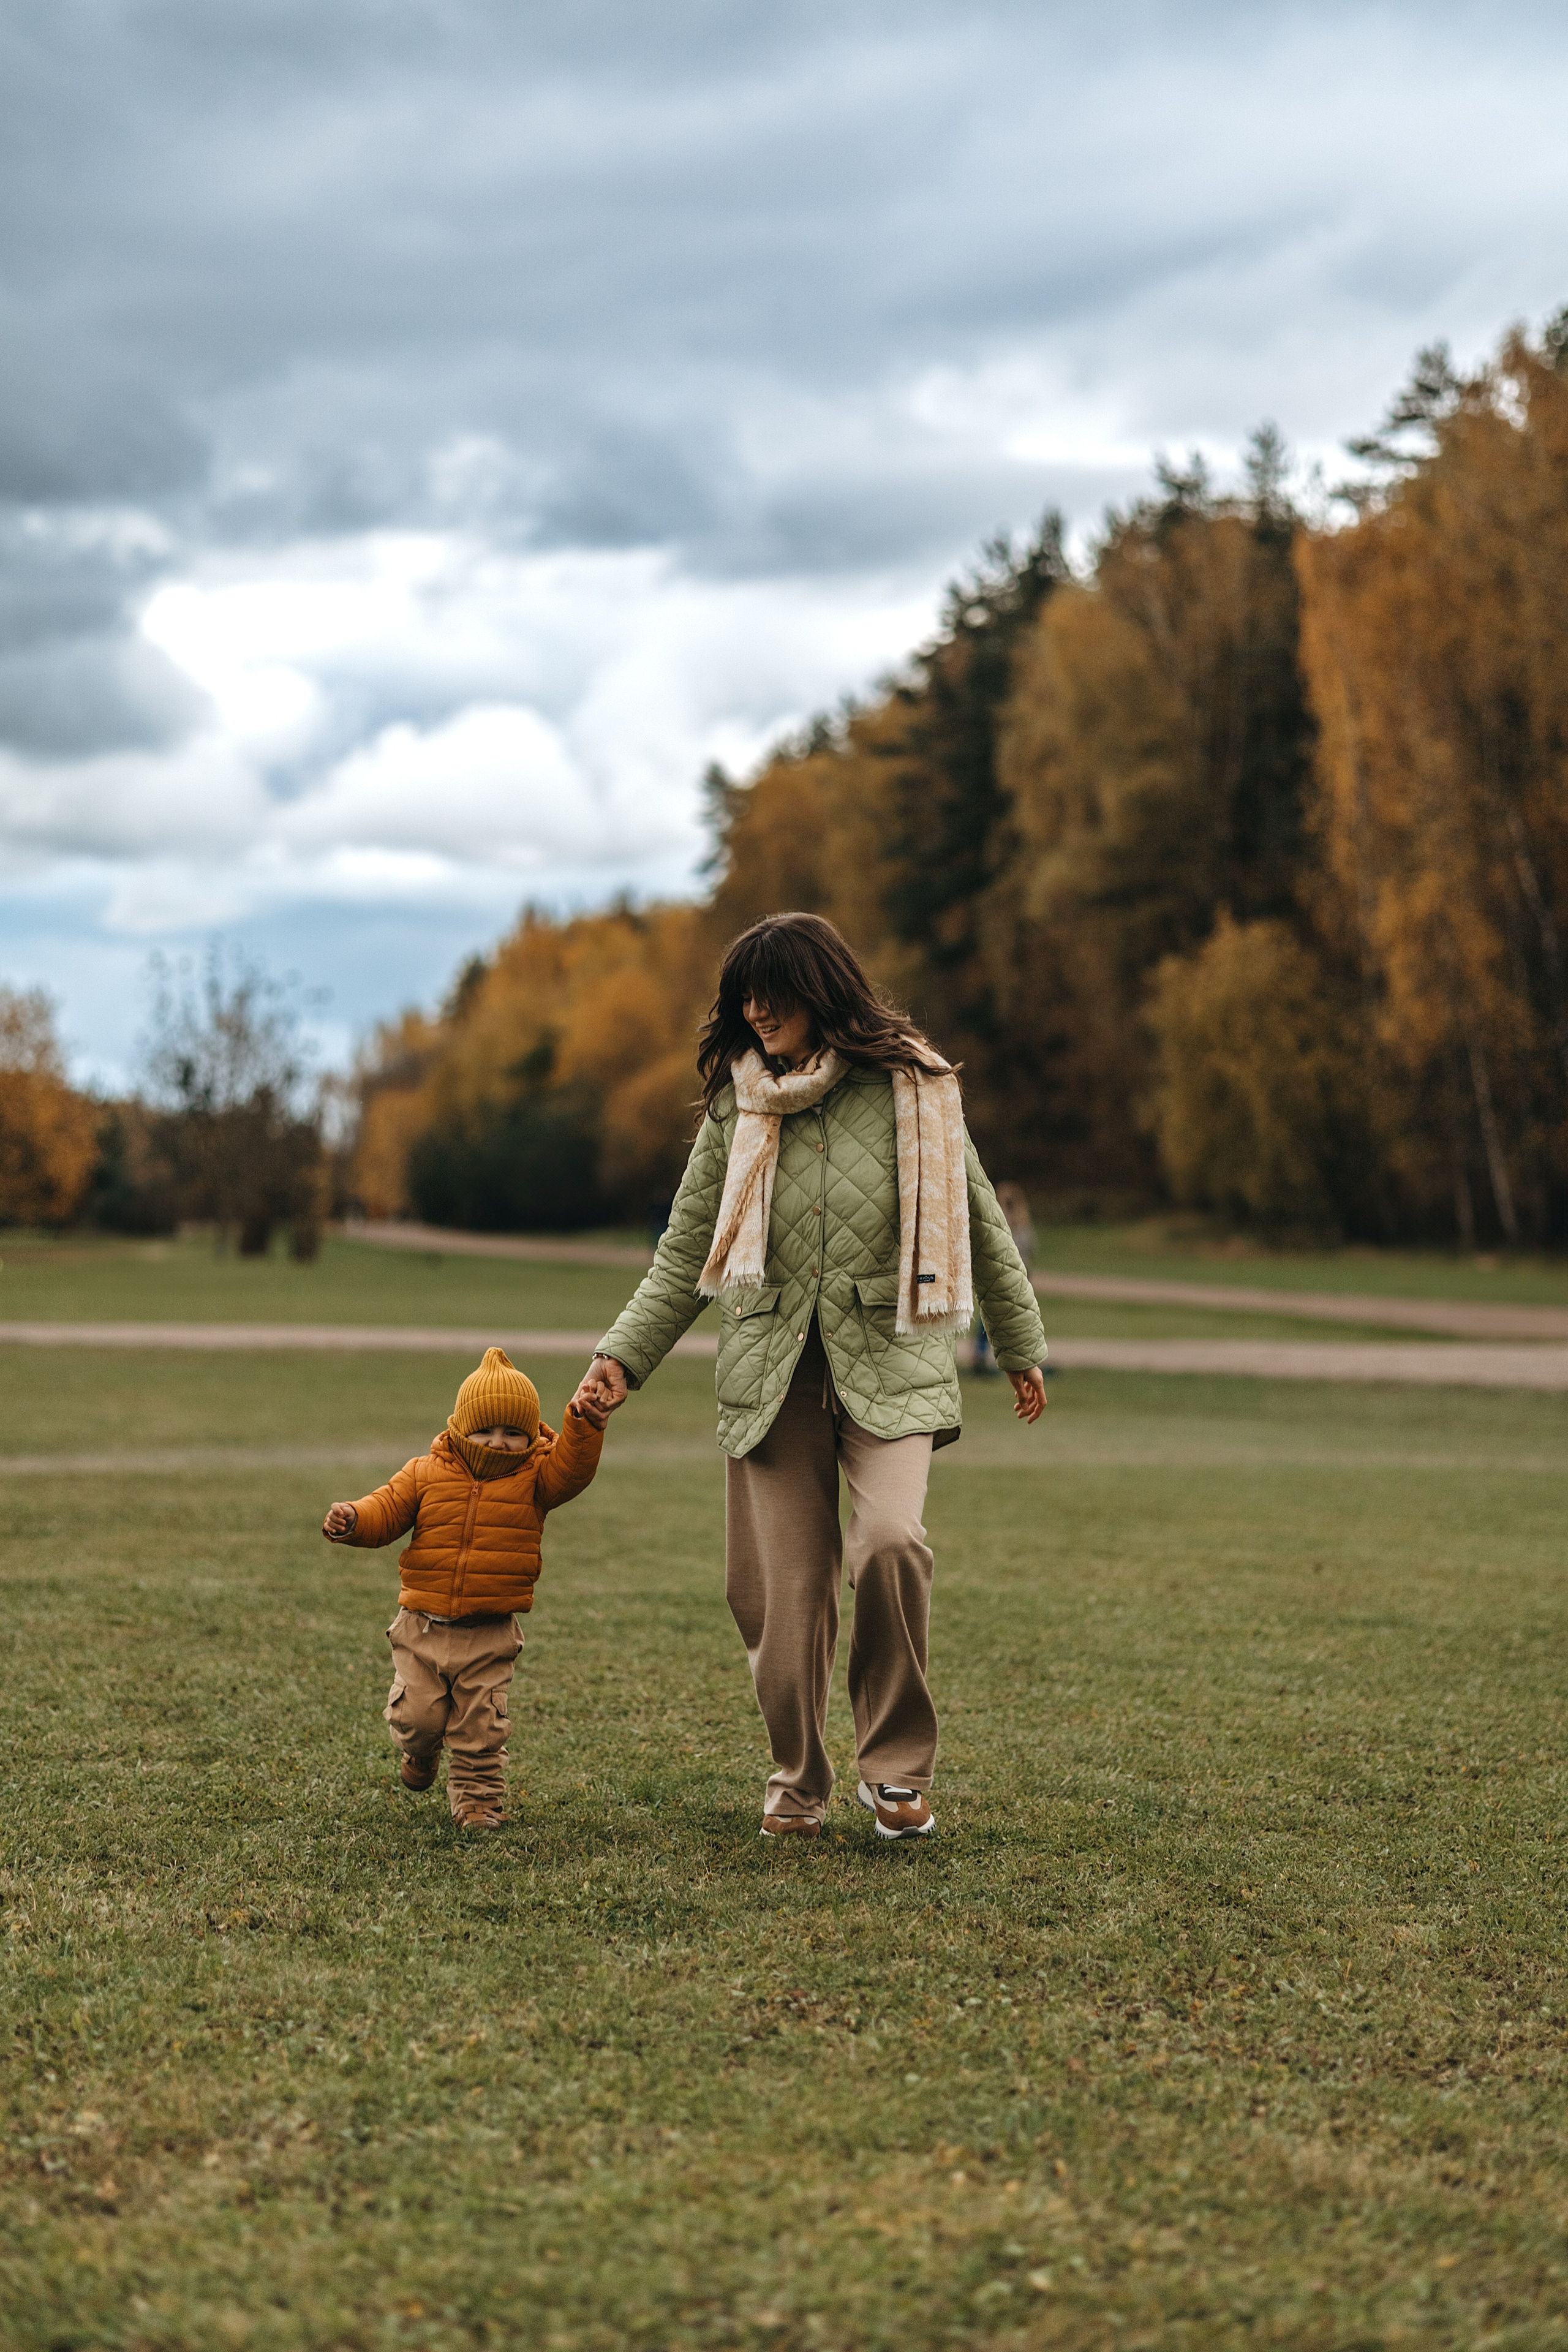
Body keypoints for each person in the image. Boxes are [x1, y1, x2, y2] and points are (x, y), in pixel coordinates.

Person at [570, 913, 1047, 1842]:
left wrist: (1018, 1343)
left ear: (822, 990)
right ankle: (798, 1778)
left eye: (774, 991)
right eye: (745, 996)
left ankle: (896, 1773)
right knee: (781, 1597)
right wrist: (620, 1357)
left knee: (891, 1544)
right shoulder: (736, 1107)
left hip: (892, 1362)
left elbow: (980, 1218)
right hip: (770, 1371)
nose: (757, 1010)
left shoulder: (915, 1088)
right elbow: (685, 1252)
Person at [322, 1346, 609, 1829]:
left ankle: (477, 1803)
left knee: (481, 1728)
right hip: (423, 1628)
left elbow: (573, 1469)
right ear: (461, 1428)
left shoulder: (536, 1477)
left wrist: (584, 1426)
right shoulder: (425, 1472)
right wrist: (353, 1519)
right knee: (416, 1720)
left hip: (489, 1633)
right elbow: (385, 1510)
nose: (499, 1442)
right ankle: (420, 1752)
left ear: (531, 1436)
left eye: (514, 1433)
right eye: (486, 1430)